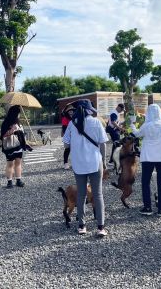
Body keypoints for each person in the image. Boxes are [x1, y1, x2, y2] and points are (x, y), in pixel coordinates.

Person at [62, 99, 109, 236]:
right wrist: (104, 162)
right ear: (89, 110)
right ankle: (101, 227)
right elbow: (103, 144)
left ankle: (82, 226)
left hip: (78, 164)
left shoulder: (72, 124)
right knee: (98, 194)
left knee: (81, 195)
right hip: (95, 163)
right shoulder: (96, 122)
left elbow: (66, 144)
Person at [130, 104, 161, 216]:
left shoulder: (146, 126)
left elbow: (137, 134)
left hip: (148, 157)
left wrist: (132, 123)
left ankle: (147, 207)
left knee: (145, 182)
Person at [0, 105, 32, 189]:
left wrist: (20, 130)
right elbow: (2, 136)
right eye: (18, 113)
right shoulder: (6, 122)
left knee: (18, 163)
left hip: (18, 146)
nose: (19, 115)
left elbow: (22, 134)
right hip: (9, 146)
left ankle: (18, 180)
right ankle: (9, 182)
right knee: (10, 164)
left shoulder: (18, 122)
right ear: (14, 113)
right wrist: (11, 130)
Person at [61, 104, 75, 170]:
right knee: (67, 149)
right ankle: (65, 163)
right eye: (69, 111)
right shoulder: (65, 118)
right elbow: (64, 128)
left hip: (75, 136)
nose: (71, 112)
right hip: (68, 136)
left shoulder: (76, 117)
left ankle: (76, 163)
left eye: (72, 110)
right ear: (67, 112)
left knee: (76, 150)